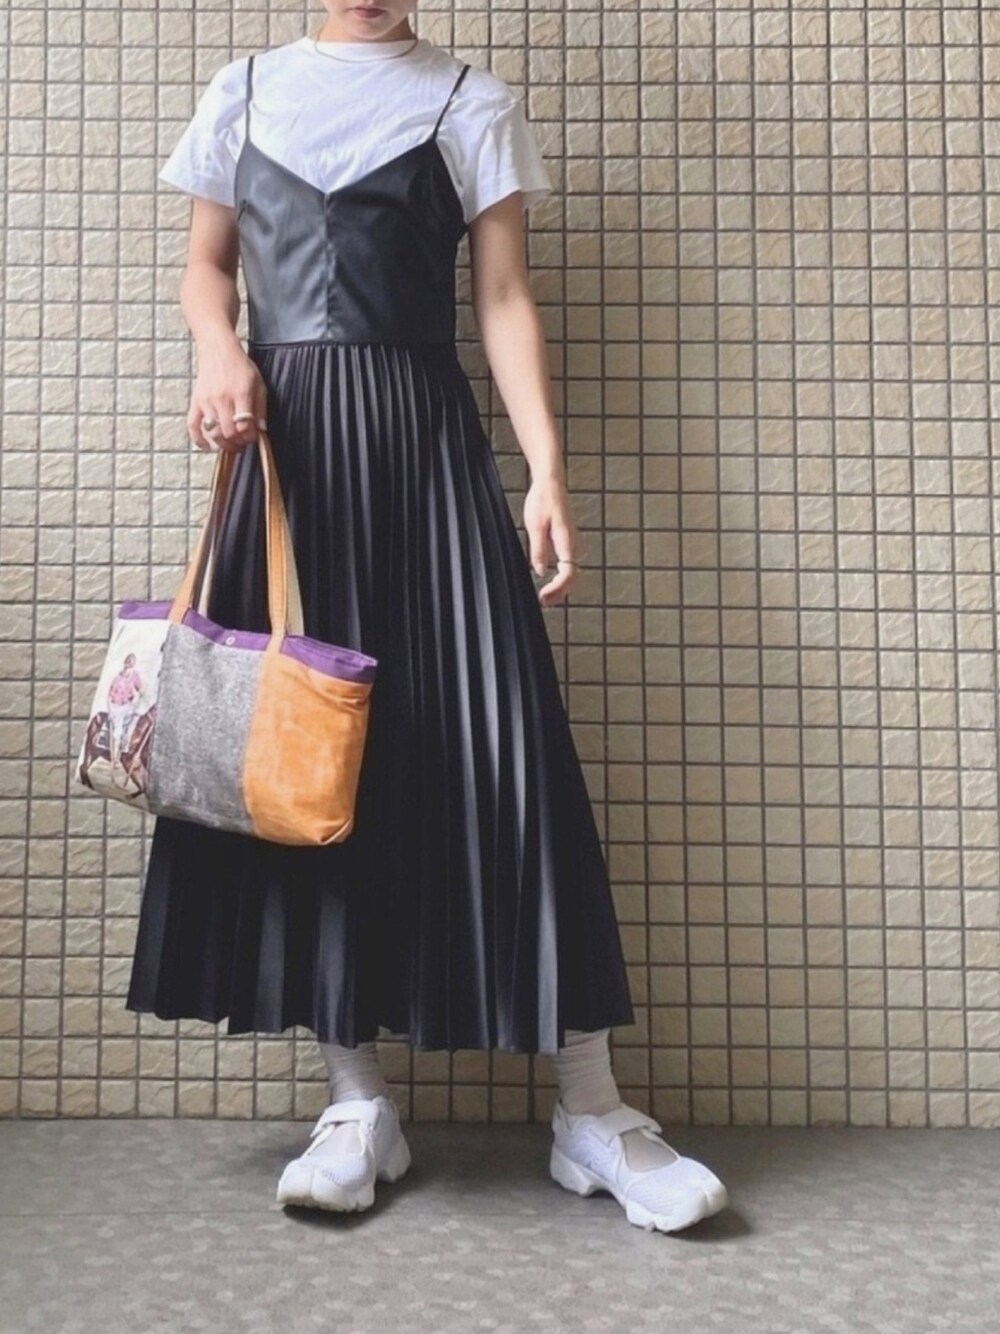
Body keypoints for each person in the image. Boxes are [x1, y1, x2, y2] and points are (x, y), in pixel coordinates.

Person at [127, 1, 729, 1234]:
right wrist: (217, 351)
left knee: (504, 752)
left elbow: (501, 295)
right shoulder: (242, 90)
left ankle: (591, 1109)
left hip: (425, 454)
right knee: (305, 762)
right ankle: (358, 1102)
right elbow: (204, 266)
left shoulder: (470, 103)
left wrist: (545, 468)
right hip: (289, 461)